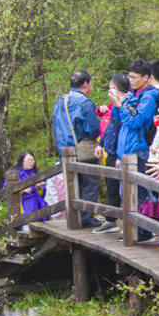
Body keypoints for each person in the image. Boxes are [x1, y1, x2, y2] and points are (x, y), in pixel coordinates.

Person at [111, 59, 159, 243]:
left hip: (139, 150)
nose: (130, 80)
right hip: (127, 151)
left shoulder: (148, 97)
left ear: (146, 78)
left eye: (134, 77)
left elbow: (136, 121)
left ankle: (142, 232)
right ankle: (133, 230)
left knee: (138, 193)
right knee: (126, 193)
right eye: (129, 76)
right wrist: (117, 104)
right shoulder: (133, 94)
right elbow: (119, 118)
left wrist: (122, 105)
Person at [51, 70, 102, 228]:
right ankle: (86, 218)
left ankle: (75, 217)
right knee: (90, 183)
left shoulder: (61, 101)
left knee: (73, 185)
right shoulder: (84, 103)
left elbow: (55, 125)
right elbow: (94, 129)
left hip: (65, 150)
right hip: (82, 149)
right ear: (86, 84)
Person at [93, 73, 131, 234]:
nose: (109, 90)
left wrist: (121, 155)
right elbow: (111, 127)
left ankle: (129, 225)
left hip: (122, 154)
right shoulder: (114, 106)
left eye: (110, 87)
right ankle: (110, 220)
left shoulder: (129, 104)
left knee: (125, 190)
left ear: (116, 88)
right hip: (111, 152)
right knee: (112, 188)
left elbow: (127, 129)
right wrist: (100, 143)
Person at [5, 152, 49, 228]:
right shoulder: (16, 174)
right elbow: (6, 188)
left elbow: (42, 193)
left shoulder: (36, 174)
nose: (31, 162)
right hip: (24, 203)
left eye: (33, 160)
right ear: (22, 162)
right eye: (29, 160)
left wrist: (39, 188)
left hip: (38, 202)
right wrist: (22, 190)